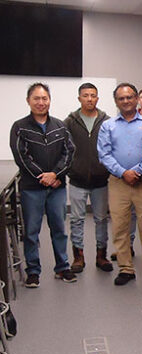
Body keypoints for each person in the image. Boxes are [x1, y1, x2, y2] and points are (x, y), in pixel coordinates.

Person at [9, 83, 76, 287]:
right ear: (29, 101)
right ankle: (33, 271)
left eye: (44, 98)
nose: (41, 102)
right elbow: (22, 157)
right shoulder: (20, 127)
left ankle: (63, 267)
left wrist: (55, 174)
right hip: (32, 188)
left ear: (49, 100)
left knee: (59, 229)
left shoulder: (60, 126)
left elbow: (69, 153)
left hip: (56, 187)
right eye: (36, 98)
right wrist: (43, 176)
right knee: (31, 232)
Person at [98, 83, 142, 286]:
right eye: (121, 98)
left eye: (130, 97)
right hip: (118, 182)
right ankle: (126, 269)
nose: (126, 101)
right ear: (116, 101)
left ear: (137, 98)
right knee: (120, 226)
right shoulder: (108, 125)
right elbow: (104, 155)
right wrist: (123, 172)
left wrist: (138, 171)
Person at [64, 82, 113, 274]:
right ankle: (79, 256)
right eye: (86, 95)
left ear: (98, 98)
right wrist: (70, 169)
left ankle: (101, 255)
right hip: (77, 180)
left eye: (93, 95)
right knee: (76, 219)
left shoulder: (106, 121)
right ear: (79, 98)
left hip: (101, 180)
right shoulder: (69, 121)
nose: (90, 99)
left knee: (101, 219)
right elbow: (64, 149)